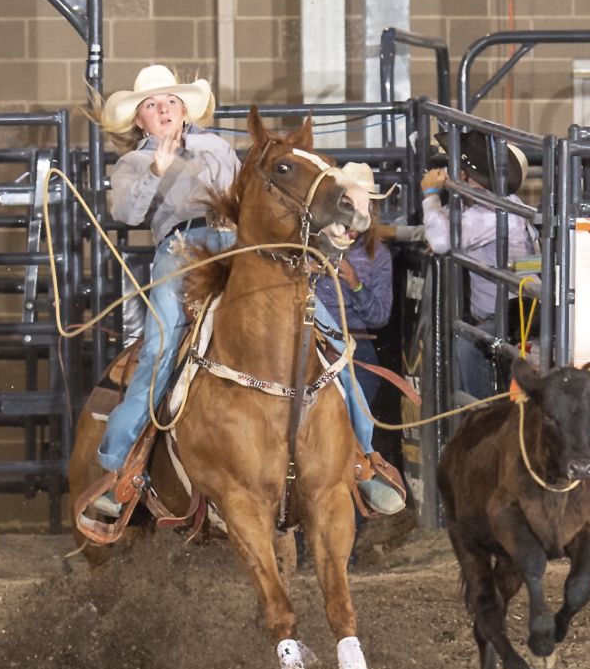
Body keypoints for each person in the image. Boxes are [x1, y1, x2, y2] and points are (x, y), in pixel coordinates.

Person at [84, 67, 405, 519]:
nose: (164, 111)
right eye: (152, 106)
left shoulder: (215, 146)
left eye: (170, 103)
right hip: (180, 250)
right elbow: (127, 212)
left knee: (331, 339)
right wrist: (156, 169)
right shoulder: (133, 163)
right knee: (159, 350)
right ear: (140, 120)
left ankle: (364, 459)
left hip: (239, 243)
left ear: (183, 111)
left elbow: (248, 196)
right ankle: (120, 468)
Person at [420, 130, 539, 400]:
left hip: (511, 317)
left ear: (467, 176)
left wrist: (430, 194)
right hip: (511, 312)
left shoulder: (492, 214)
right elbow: (447, 233)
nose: (455, 176)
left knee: (467, 344)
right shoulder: (497, 206)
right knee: (469, 340)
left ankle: (484, 419)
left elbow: (440, 241)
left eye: (461, 170)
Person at [315, 163, 394, 406]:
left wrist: (355, 284)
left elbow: (380, 317)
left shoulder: (377, 255)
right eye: (349, 204)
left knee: (363, 384)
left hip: (354, 343)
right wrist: (304, 272)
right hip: (312, 339)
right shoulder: (309, 243)